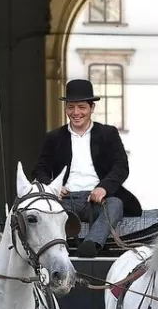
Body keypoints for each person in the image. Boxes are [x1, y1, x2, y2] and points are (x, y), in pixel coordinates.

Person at [32, 79, 142, 258]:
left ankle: (91, 244)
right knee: (41, 209)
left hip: (96, 200)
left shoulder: (108, 134)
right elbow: (39, 170)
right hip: (64, 199)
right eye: (70, 107)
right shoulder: (54, 137)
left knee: (116, 204)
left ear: (92, 108)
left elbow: (121, 166)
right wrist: (52, 187)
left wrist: (103, 187)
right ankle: (56, 249)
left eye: (82, 107)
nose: (76, 113)